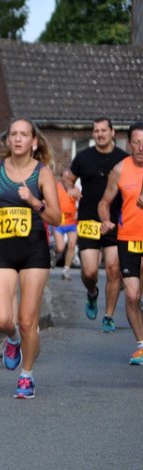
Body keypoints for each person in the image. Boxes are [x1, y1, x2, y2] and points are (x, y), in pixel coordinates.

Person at [0, 118, 60, 399]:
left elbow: (56, 217)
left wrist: (34, 201)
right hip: (1, 247)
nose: (17, 139)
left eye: (24, 134)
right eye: (13, 134)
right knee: (1, 319)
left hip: (34, 249)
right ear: (8, 139)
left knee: (27, 320)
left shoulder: (42, 173)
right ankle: (12, 339)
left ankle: (26, 376)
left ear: (34, 142)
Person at [63, 117, 128, 333]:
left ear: (112, 132)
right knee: (89, 272)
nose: (100, 134)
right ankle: (92, 293)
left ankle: (108, 316)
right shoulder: (83, 157)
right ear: (93, 134)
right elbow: (68, 178)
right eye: (96, 131)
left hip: (114, 221)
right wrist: (70, 188)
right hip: (88, 220)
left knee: (113, 269)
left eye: (103, 130)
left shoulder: (123, 159)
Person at [98, 122, 143, 364]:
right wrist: (106, 221)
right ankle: (142, 345)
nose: (141, 147)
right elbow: (104, 203)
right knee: (133, 296)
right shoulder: (120, 169)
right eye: (136, 142)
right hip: (128, 238)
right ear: (129, 144)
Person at [52, 173, 78, 279]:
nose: (67, 179)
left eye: (69, 177)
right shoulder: (55, 187)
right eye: (65, 177)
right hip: (59, 222)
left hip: (72, 222)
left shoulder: (75, 188)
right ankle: (53, 252)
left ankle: (66, 269)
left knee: (72, 244)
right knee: (60, 247)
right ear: (61, 177)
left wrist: (76, 194)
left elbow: (80, 198)